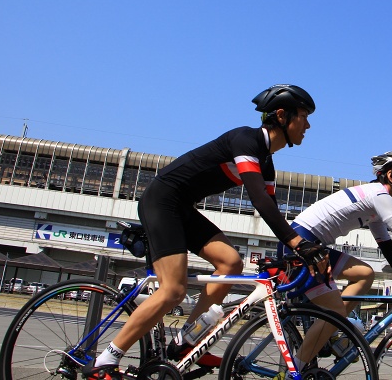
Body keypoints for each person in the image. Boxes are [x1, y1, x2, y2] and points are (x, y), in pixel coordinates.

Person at [84, 84, 328, 380]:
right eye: (303, 116)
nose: (308, 124)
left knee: (230, 264)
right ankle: (104, 361)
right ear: (281, 115)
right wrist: (297, 242)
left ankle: (185, 341)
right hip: (162, 201)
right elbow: (258, 200)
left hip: (181, 207)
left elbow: (272, 212)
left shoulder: (266, 162)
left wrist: (294, 251)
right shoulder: (246, 140)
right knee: (173, 290)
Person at [277, 150, 392, 372]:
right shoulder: (380, 196)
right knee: (336, 312)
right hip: (304, 247)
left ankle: (330, 330)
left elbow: (390, 250)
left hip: (311, 245)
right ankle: (294, 372)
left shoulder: (374, 205)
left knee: (365, 274)